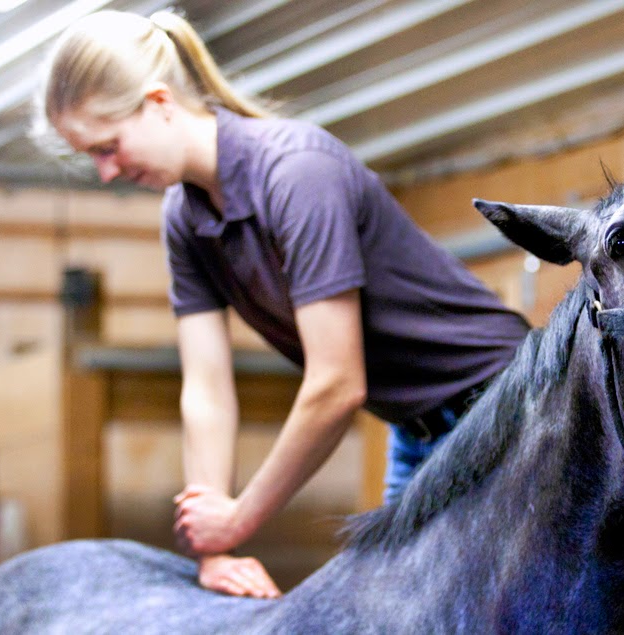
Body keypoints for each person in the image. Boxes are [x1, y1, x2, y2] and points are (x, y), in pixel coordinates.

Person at [37, 10, 530, 599]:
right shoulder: (185, 218)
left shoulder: (297, 171)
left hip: (508, 404)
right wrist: (214, 546)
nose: (106, 172)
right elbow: (206, 388)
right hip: (415, 427)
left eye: (109, 147)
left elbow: (336, 383)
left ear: (160, 102)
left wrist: (241, 517)